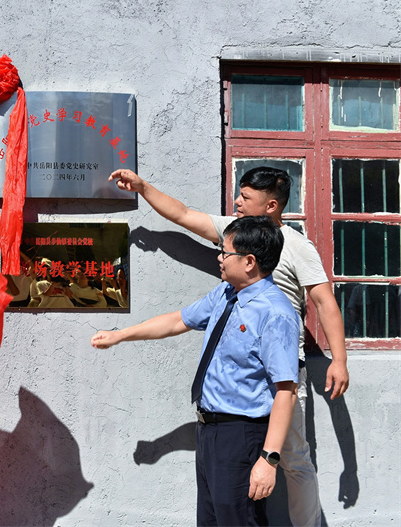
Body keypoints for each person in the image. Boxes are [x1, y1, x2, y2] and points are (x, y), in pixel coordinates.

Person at [109, 166, 349, 526]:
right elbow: (184, 215)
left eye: (245, 198)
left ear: (270, 206)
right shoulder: (230, 263)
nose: (237, 202)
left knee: (293, 460)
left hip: (278, 369)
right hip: (230, 397)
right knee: (220, 508)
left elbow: (324, 302)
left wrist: (338, 359)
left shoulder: (295, 249)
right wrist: (143, 187)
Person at [92, 216, 299, 526]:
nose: (219, 258)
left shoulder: (274, 313)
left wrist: (269, 459)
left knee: (238, 520)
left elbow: (286, 391)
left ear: (250, 262)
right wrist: (120, 335)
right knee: (212, 520)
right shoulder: (226, 294)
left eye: (225, 253)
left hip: (242, 435)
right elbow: (178, 320)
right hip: (209, 431)